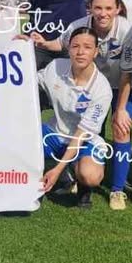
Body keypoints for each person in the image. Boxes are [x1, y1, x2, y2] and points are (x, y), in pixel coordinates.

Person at [30, 0, 132, 210]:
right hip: (83, 76)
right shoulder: (79, 26)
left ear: (118, 8)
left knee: (121, 126)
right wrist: (42, 43)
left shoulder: (128, 31)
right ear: (90, 7)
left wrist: (120, 110)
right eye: (97, 7)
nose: (103, 13)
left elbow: (127, 73)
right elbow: (60, 44)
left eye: (109, 8)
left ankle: (117, 190)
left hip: (119, 84)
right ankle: (73, 170)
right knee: (84, 127)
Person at [38, 27, 111, 208]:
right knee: (23, 138)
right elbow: (27, 80)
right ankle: (53, 179)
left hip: (85, 140)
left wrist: (56, 170)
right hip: (54, 133)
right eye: (75, 46)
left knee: (90, 175)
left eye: (87, 47)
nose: (80, 52)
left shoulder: (102, 89)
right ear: (68, 48)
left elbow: (81, 135)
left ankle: (81, 185)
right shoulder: (56, 67)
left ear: (96, 51)